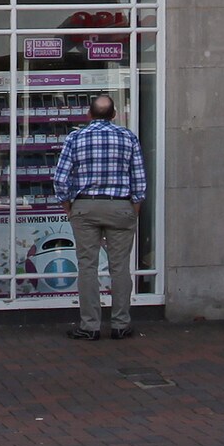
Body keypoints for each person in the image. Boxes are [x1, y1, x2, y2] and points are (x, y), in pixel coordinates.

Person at [51, 92, 147, 342]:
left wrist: (69, 207)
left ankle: (90, 326)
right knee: (120, 268)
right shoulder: (128, 137)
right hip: (120, 206)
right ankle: (121, 324)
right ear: (114, 115)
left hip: (85, 206)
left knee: (88, 267)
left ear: (89, 114)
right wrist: (133, 210)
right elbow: (139, 180)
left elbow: (60, 178)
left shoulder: (76, 137)